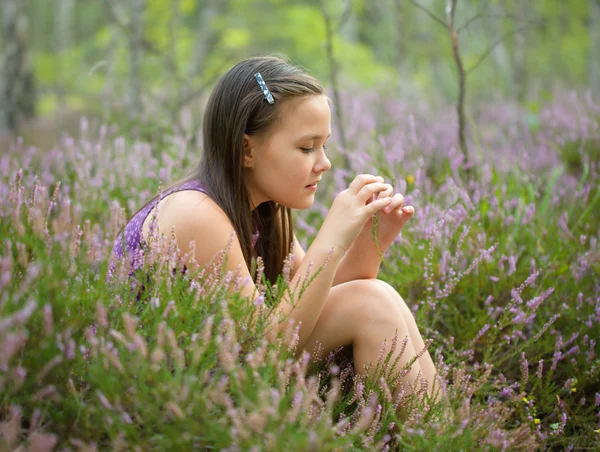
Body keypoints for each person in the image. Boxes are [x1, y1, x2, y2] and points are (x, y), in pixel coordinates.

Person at [108, 55, 442, 406]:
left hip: (218, 374)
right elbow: (263, 348)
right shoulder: (196, 214)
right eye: (306, 147)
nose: (324, 163)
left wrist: (373, 240)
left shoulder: (266, 210)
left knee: (378, 295)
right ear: (246, 150)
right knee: (372, 301)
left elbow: (316, 305)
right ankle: (435, 437)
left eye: (324, 145)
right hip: (161, 399)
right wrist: (331, 239)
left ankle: (440, 437)